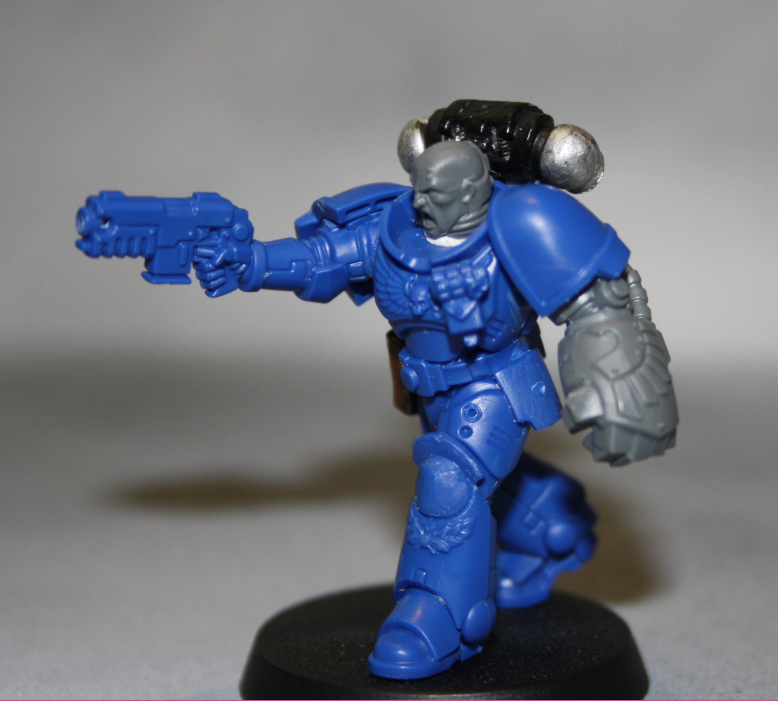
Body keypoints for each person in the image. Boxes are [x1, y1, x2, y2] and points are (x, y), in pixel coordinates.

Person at [193, 139, 677, 680]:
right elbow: (323, 258)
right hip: (430, 389)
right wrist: (253, 263)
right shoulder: (394, 228)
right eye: (418, 188)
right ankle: (547, 525)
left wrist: (617, 388)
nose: (421, 201)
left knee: (448, 480)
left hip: (493, 386)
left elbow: (594, 299)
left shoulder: (512, 228)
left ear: (473, 190)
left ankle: (442, 618)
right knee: (477, 480)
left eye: (435, 192)